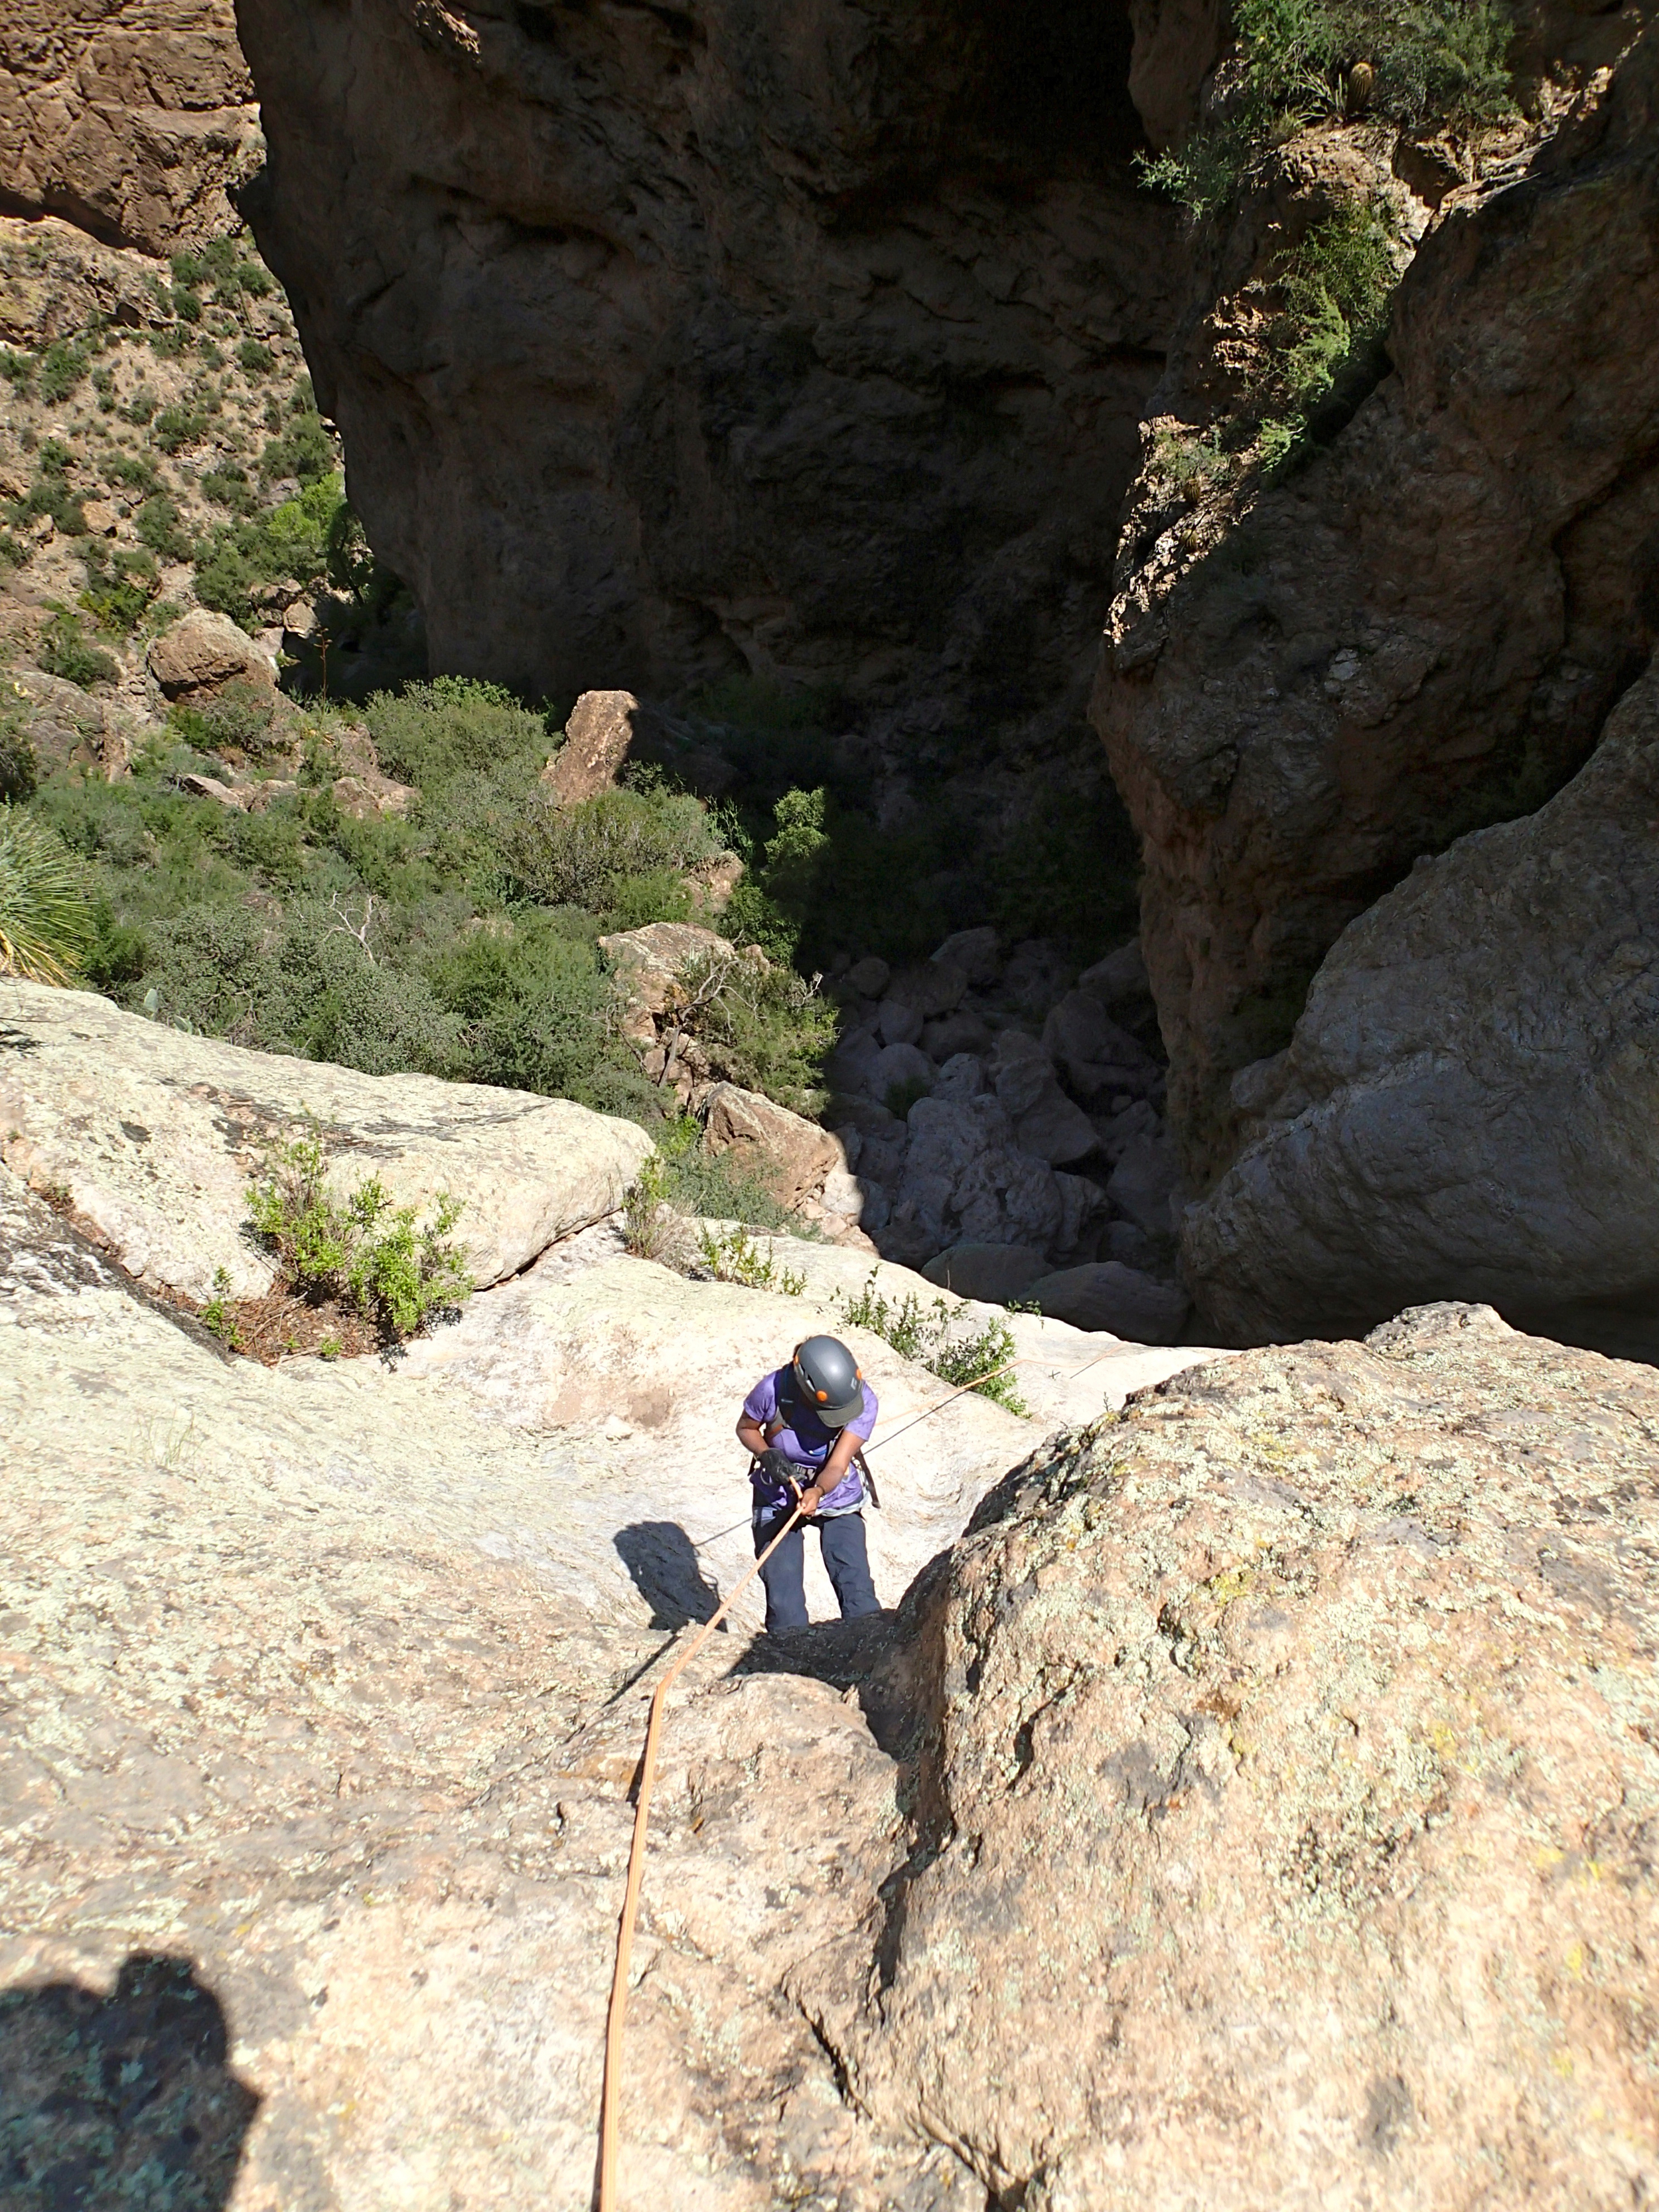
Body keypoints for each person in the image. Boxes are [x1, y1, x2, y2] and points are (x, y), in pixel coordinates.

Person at [736, 1335, 881, 1633]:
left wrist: (817, 1491)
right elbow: (746, 1428)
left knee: (857, 1591)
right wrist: (768, 1454)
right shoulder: (772, 1390)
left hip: (834, 1492)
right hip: (777, 1493)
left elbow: (838, 1464)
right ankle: (790, 1669)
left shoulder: (863, 1401)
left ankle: (869, 1651)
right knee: (784, 1607)